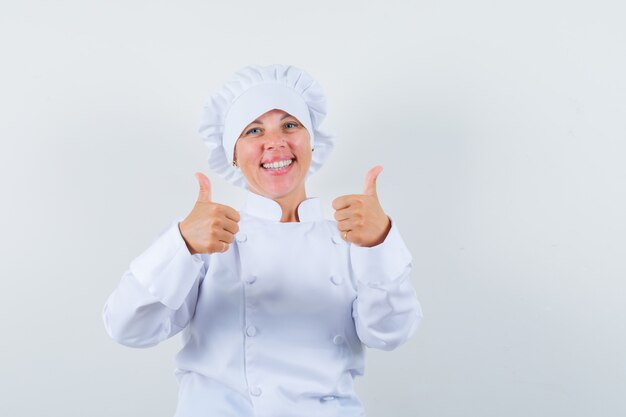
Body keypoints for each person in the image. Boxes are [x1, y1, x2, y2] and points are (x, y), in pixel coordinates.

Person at [102, 64, 423, 417]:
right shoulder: (207, 236)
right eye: (254, 130)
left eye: (290, 125)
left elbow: (390, 334)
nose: (276, 143)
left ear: (312, 140)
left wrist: (379, 244)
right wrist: (181, 245)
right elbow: (127, 328)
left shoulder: (354, 235)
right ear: (233, 155)